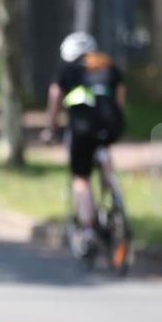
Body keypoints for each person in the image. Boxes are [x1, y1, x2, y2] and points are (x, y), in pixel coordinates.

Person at [41, 32, 126, 255]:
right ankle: (113, 191)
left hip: (82, 128)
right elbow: (120, 96)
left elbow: (55, 97)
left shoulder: (68, 71)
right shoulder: (109, 66)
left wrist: (51, 128)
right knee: (103, 149)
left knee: (82, 179)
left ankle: (87, 230)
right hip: (111, 125)